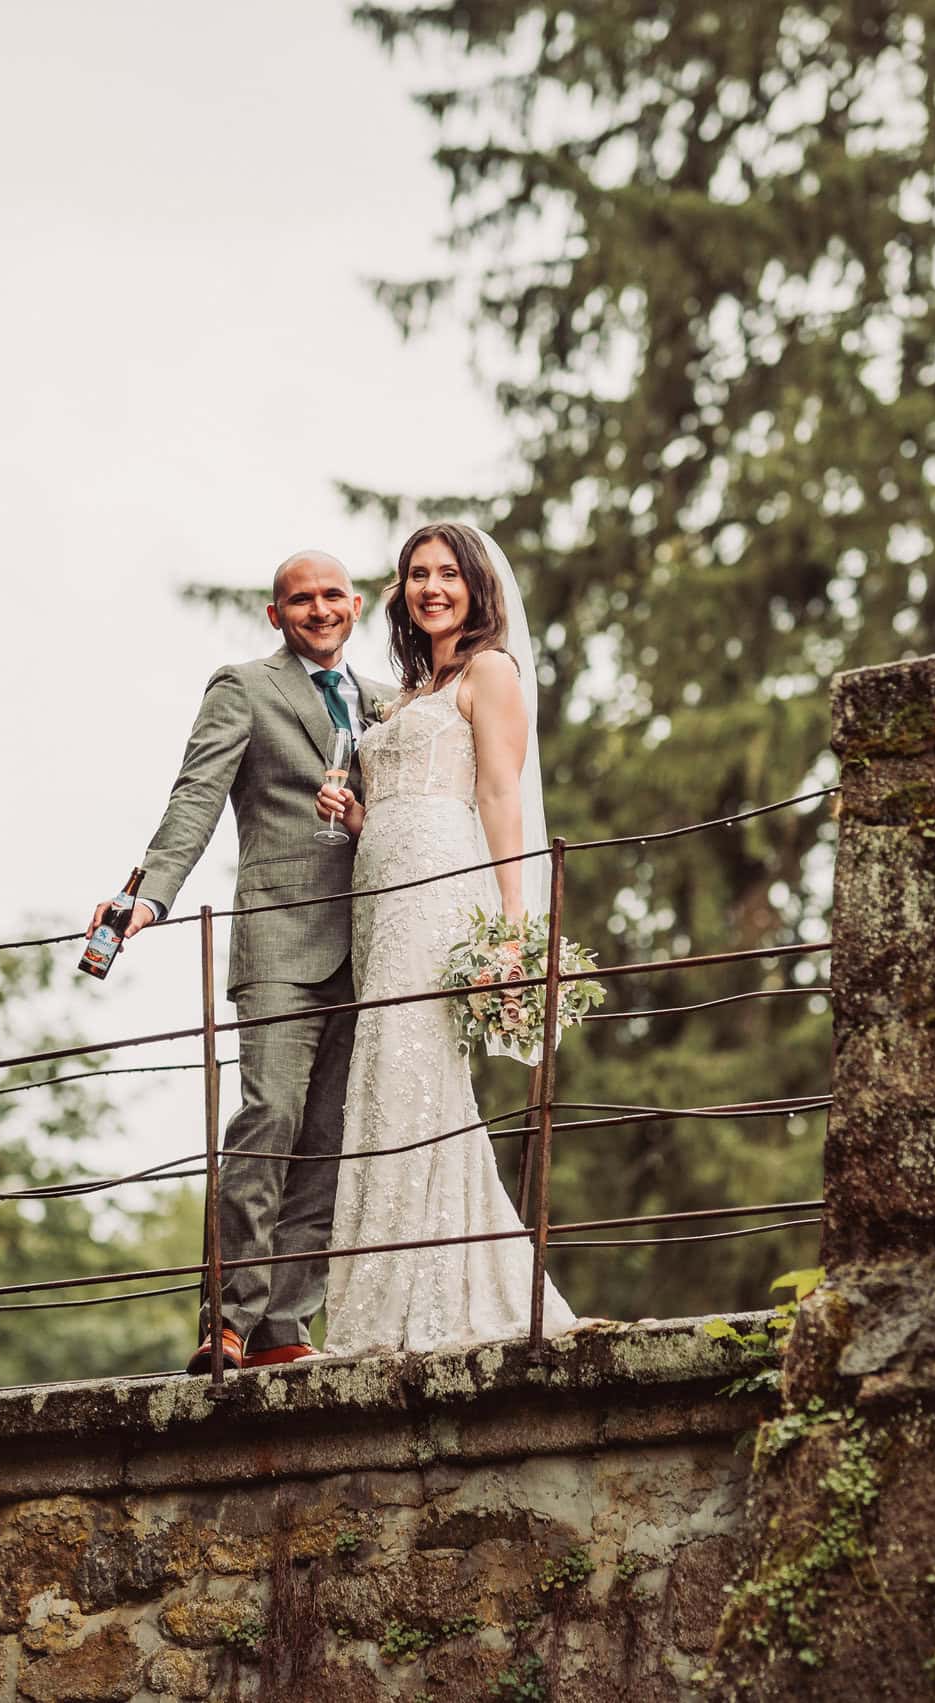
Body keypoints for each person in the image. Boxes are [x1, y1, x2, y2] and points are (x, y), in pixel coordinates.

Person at [92, 550, 394, 1373]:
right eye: (302, 599)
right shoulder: (245, 686)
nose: (319, 609)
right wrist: (149, 893)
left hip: (369, 946)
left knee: (330, 1138)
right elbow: (195, 793)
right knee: (269, 1120)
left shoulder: (387, 701)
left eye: (333, 595)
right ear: (276, 615)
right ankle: (227, 1316)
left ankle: (284, 1324)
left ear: (357, 606)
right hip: (279, 942)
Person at [312, 523, 579, 1354]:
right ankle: (388, 1287)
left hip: (440, 891)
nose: (432, 586)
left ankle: (431, 1289)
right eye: (418, 574)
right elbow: (399, 795)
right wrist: (357, 814)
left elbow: (499, 793)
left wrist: (514, 923)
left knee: (416, 1069)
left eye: (448, 573)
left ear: (475, 586)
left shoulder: (491, 670)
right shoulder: (413, 688)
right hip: (379, 891)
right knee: (384, 1071)